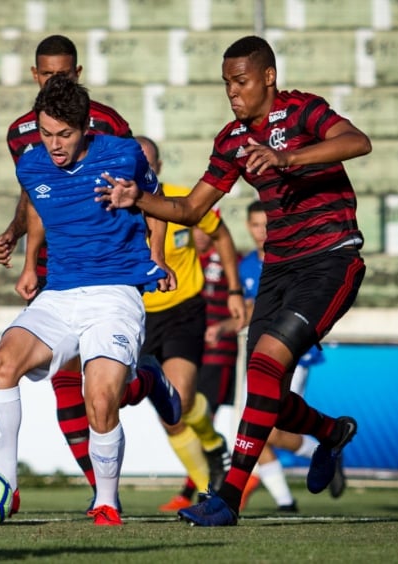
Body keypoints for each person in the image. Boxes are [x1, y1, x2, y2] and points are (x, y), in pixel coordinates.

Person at [96, 34, 372, 526]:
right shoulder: (231, 140)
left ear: (268, 77)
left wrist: (287, 158)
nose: (232, 91)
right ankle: (330, 432)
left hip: (331, 258)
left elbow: (357, 142)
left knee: (264, 368)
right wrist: (135, 197)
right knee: (267, 396)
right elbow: (189, 209)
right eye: (226, 83)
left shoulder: (303, 111)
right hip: (279, 270)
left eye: (240, 81)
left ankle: (228, 499)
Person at [0, 35, 182, 513]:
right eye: (47, 133)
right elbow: (37, 206)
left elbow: (155, 204)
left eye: (64, 135)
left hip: (114, 293)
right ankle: (5, 489)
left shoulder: (122, 152)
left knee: (99, 398)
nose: (53, 145)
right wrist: (31, 263)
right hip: (59, 292)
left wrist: (157, 256)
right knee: (0, 368)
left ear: (85, 128)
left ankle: (107, 503)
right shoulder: (31, 162)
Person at [134, 136, 245, 508]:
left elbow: (222, 235)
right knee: (169, 416)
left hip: (184, 310)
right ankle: (209, 463)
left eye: (148, 163)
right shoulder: (115, 206)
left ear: (160, 167)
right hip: (136, 315)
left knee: (178, 399)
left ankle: (208, 480)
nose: (142, 169)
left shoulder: (183, 200)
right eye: (135, 162)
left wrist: (233, 290)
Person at [235, 201, 336, 512]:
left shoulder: (294, 261)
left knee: (271, 427)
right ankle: (285, 501)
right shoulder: (245, 266)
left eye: (266, 224)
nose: (261, 231)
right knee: (253, 427)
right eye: (255, 225)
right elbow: (249, 313)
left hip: (293, 354)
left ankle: (327, 445)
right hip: (255, 355)